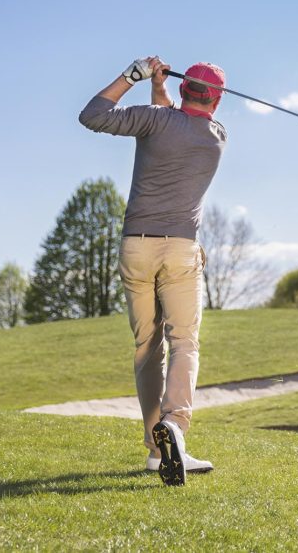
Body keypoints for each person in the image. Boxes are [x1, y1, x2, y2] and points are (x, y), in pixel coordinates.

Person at [79, 57, 228, 486]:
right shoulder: (216, 137)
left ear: (184, 90)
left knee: (148, 346)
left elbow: (92, 115)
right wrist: (160, 91)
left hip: (136, 247)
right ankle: (175, 428)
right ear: (216, 98)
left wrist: (136, 77)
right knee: (184, 341)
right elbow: (175, 120)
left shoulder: (153, 121)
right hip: (180, 249)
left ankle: (154, 447)